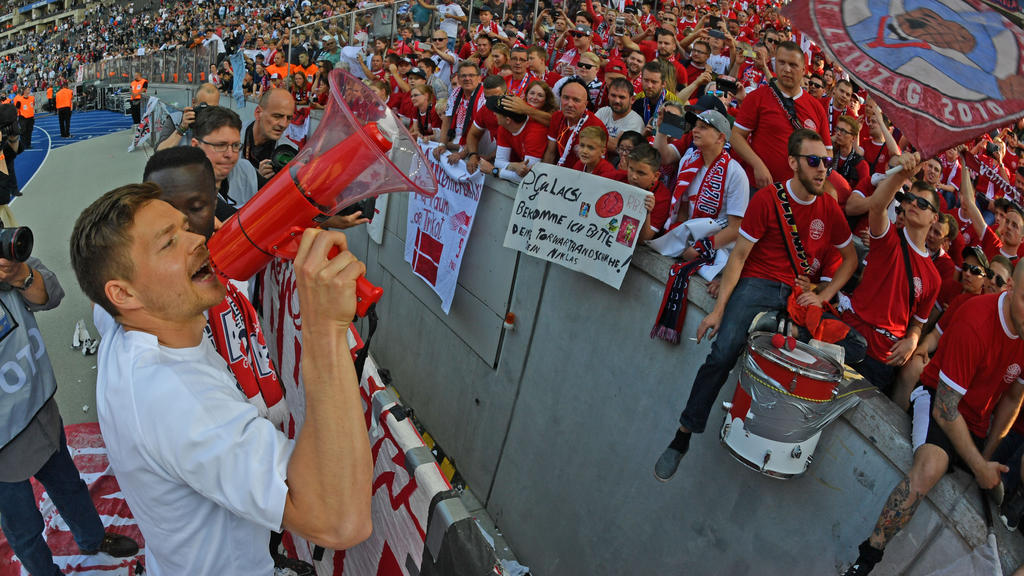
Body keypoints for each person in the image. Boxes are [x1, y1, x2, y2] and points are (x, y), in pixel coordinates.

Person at [68, 185, 373, 575]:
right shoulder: (180, 401)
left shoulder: (119, 325)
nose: (199, 239)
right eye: (168, 244)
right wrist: (325, 329)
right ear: (124, 293)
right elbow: (340, 521)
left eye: (186, 227)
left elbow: (101, 296)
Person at [653, 129, 858, 481]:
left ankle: (780, 446)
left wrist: (822, 296)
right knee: (722, 352)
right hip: (759, 283)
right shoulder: (767, 199)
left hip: (798, 292)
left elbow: (851, 259)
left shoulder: (830, 207)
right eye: (813, 161)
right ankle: (682, 435)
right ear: (793, 163)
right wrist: (719, 312)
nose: (822, 168)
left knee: (842, 352)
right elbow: (740, 257)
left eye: (825, 161)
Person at [841, 263, 1024, 575]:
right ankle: (867, 557)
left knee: (993, 494)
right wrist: (979, 466)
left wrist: (987, 455)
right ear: (1009, 289)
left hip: (976, 422)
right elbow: (945, 408)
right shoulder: (976, 321)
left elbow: (1012, 399)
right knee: (931, 467)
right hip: (938, 399)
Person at [0, 217, 140, 574]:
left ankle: (92, 538)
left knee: (69, 485)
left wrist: (19, 277)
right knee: (23, 527)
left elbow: (52, 295)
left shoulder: (9, 269)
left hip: (40, 408)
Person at [731, 41, 831, 189]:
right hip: (761, 188)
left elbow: (827, 150)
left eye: (793, 65)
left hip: (800, 193)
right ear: (775, 64)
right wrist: (757, 165)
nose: (787, 69)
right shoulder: (757, 97)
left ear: (804, 70)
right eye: (782, 63)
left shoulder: (816, 107)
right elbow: (736, 136)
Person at [192, 106, 259, 218]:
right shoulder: (186, 188)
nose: (230, 154)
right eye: (220, 145)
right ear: (196, 146)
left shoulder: (245, 169)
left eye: (235, 145)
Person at [543, 78, 607, 169]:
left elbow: (595, 167)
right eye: (566, 98)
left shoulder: (596, 126)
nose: (569, 104)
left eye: (576, 100)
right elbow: (550, 153)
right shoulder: (557, 117)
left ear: (586, 104)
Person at [242, 88, 296, 189]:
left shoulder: (290, 153)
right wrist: (256, 180)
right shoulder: (231, 137)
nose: (283, 124)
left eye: (289, 118)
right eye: (277, 116)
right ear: (258, 113)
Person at [156, 83, 220, 151]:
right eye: (203, 108)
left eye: (213, 109)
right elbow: (159, 152)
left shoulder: (221, 122)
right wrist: (181, 129)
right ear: (193, 102)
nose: (208, 113)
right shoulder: (176, 120)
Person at [595, 77, 645, 156]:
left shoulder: (635, 121)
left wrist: (596, 137)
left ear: (632, 99)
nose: (616, 101)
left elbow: (617, 147)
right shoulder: (603, 112)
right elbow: (587, 135)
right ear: (608, 95)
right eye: (613, 95)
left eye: (622, 97)